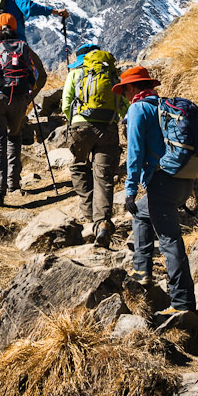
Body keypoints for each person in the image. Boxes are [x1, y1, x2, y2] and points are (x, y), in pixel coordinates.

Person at [119, 65, 196, 315]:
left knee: (170, 241)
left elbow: (135, 152)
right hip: (182, 179)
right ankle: (142, 271)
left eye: (124, 91)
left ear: (132, 87)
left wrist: (129, 190)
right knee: (142, 213)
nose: (124, 96)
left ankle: (182, 304)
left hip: (162, 182)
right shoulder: (163, 106)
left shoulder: (138, 108)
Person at [0, 13, 47, 206]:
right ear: (15, 29)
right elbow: (38, 75)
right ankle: (13, 183)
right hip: (18, 98)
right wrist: (28, 96)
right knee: (14, 136)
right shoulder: (23, 48)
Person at [61, 42, 125, 247]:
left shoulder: (75, 74)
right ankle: (102, 223)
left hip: (80, 127)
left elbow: (65, 104)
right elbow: (123, 104)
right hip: (108, 126)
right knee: (103, 176)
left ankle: (89, 213)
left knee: (79, 165)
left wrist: (75, 123)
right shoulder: (112, 74)